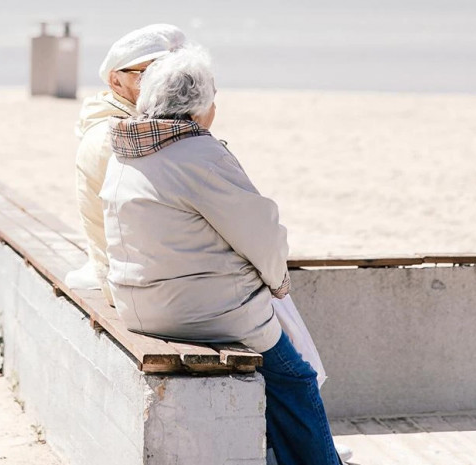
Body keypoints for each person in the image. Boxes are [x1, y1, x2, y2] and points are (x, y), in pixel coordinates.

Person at [100, 45, 347, 465]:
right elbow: (262, 233)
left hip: (137, 304)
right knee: (296, 379)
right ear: (200, 106)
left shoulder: (125, 149)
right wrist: (278, 283)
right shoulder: (201, 154)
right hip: (203, 311)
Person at [66, 24, 186, 305]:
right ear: (115, 81)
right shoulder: (122, 136)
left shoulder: (125, 119)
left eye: (172, 74)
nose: (164, 84)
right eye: (149, 74)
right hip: (143, 288)